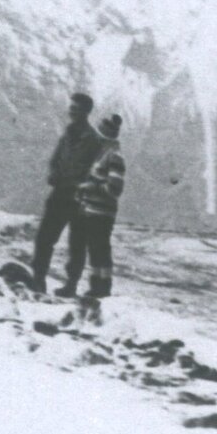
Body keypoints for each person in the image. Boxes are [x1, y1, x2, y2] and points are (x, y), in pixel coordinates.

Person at [29, 92, 104, 293]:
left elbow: (97, 172)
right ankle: (39, 280)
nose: (72, 112)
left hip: (80, 198)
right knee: (44, 238)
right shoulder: (67, 136)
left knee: (76, 243)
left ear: (86, 112)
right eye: (71, 108)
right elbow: (55, 160)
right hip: (60, 193)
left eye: (76, 109)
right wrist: (54, 174)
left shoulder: (94, 140)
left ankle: (71, 286)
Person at [68, 113, 126, 300]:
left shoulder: (114, 156)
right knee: (95, 248)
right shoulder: (102, 153)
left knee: (100, 248)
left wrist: (90, 187)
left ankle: (103, 287)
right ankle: (96, 287)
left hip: (102, 212)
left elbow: (115, 188)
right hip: (91, 209)